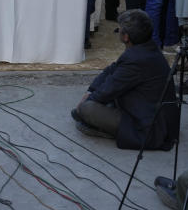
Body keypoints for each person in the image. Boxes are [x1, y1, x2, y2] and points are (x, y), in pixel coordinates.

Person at [71, 9, 179, 150]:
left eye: (119, 29)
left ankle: (114, 131)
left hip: (148, 125)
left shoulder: (136, 59)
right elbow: (112, 69)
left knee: (87, 109)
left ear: (126, 37)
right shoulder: (146, 48)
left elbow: (107, 91)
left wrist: (88, 101)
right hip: (151, 113)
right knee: (94, 101)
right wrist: (90, 90)